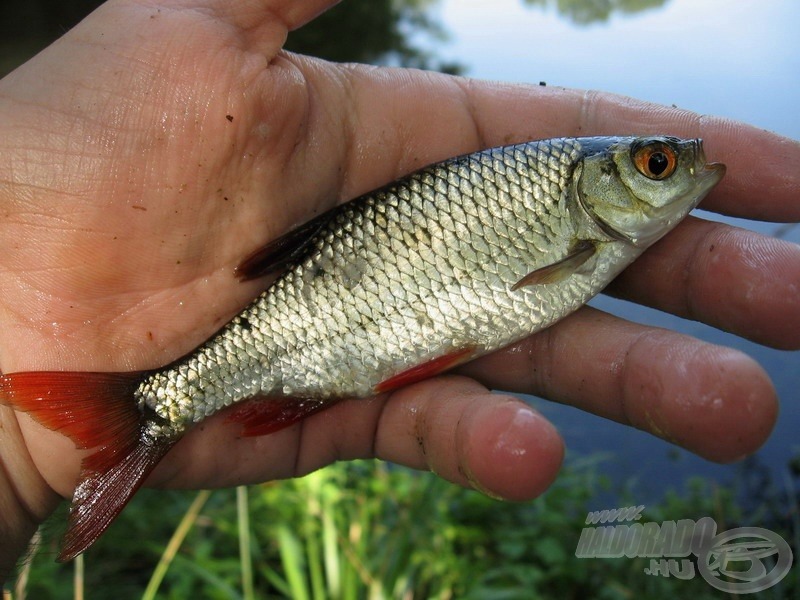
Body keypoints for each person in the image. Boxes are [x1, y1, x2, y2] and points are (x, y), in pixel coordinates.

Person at [0, 0, 798, 582]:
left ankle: (140, 413)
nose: (676, 167)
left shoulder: (575, 213)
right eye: (655, 165)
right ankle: (149, 407)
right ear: (595, 190)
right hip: (340, 313)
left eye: (658, 163)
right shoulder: (574, 221)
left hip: (364, 318)